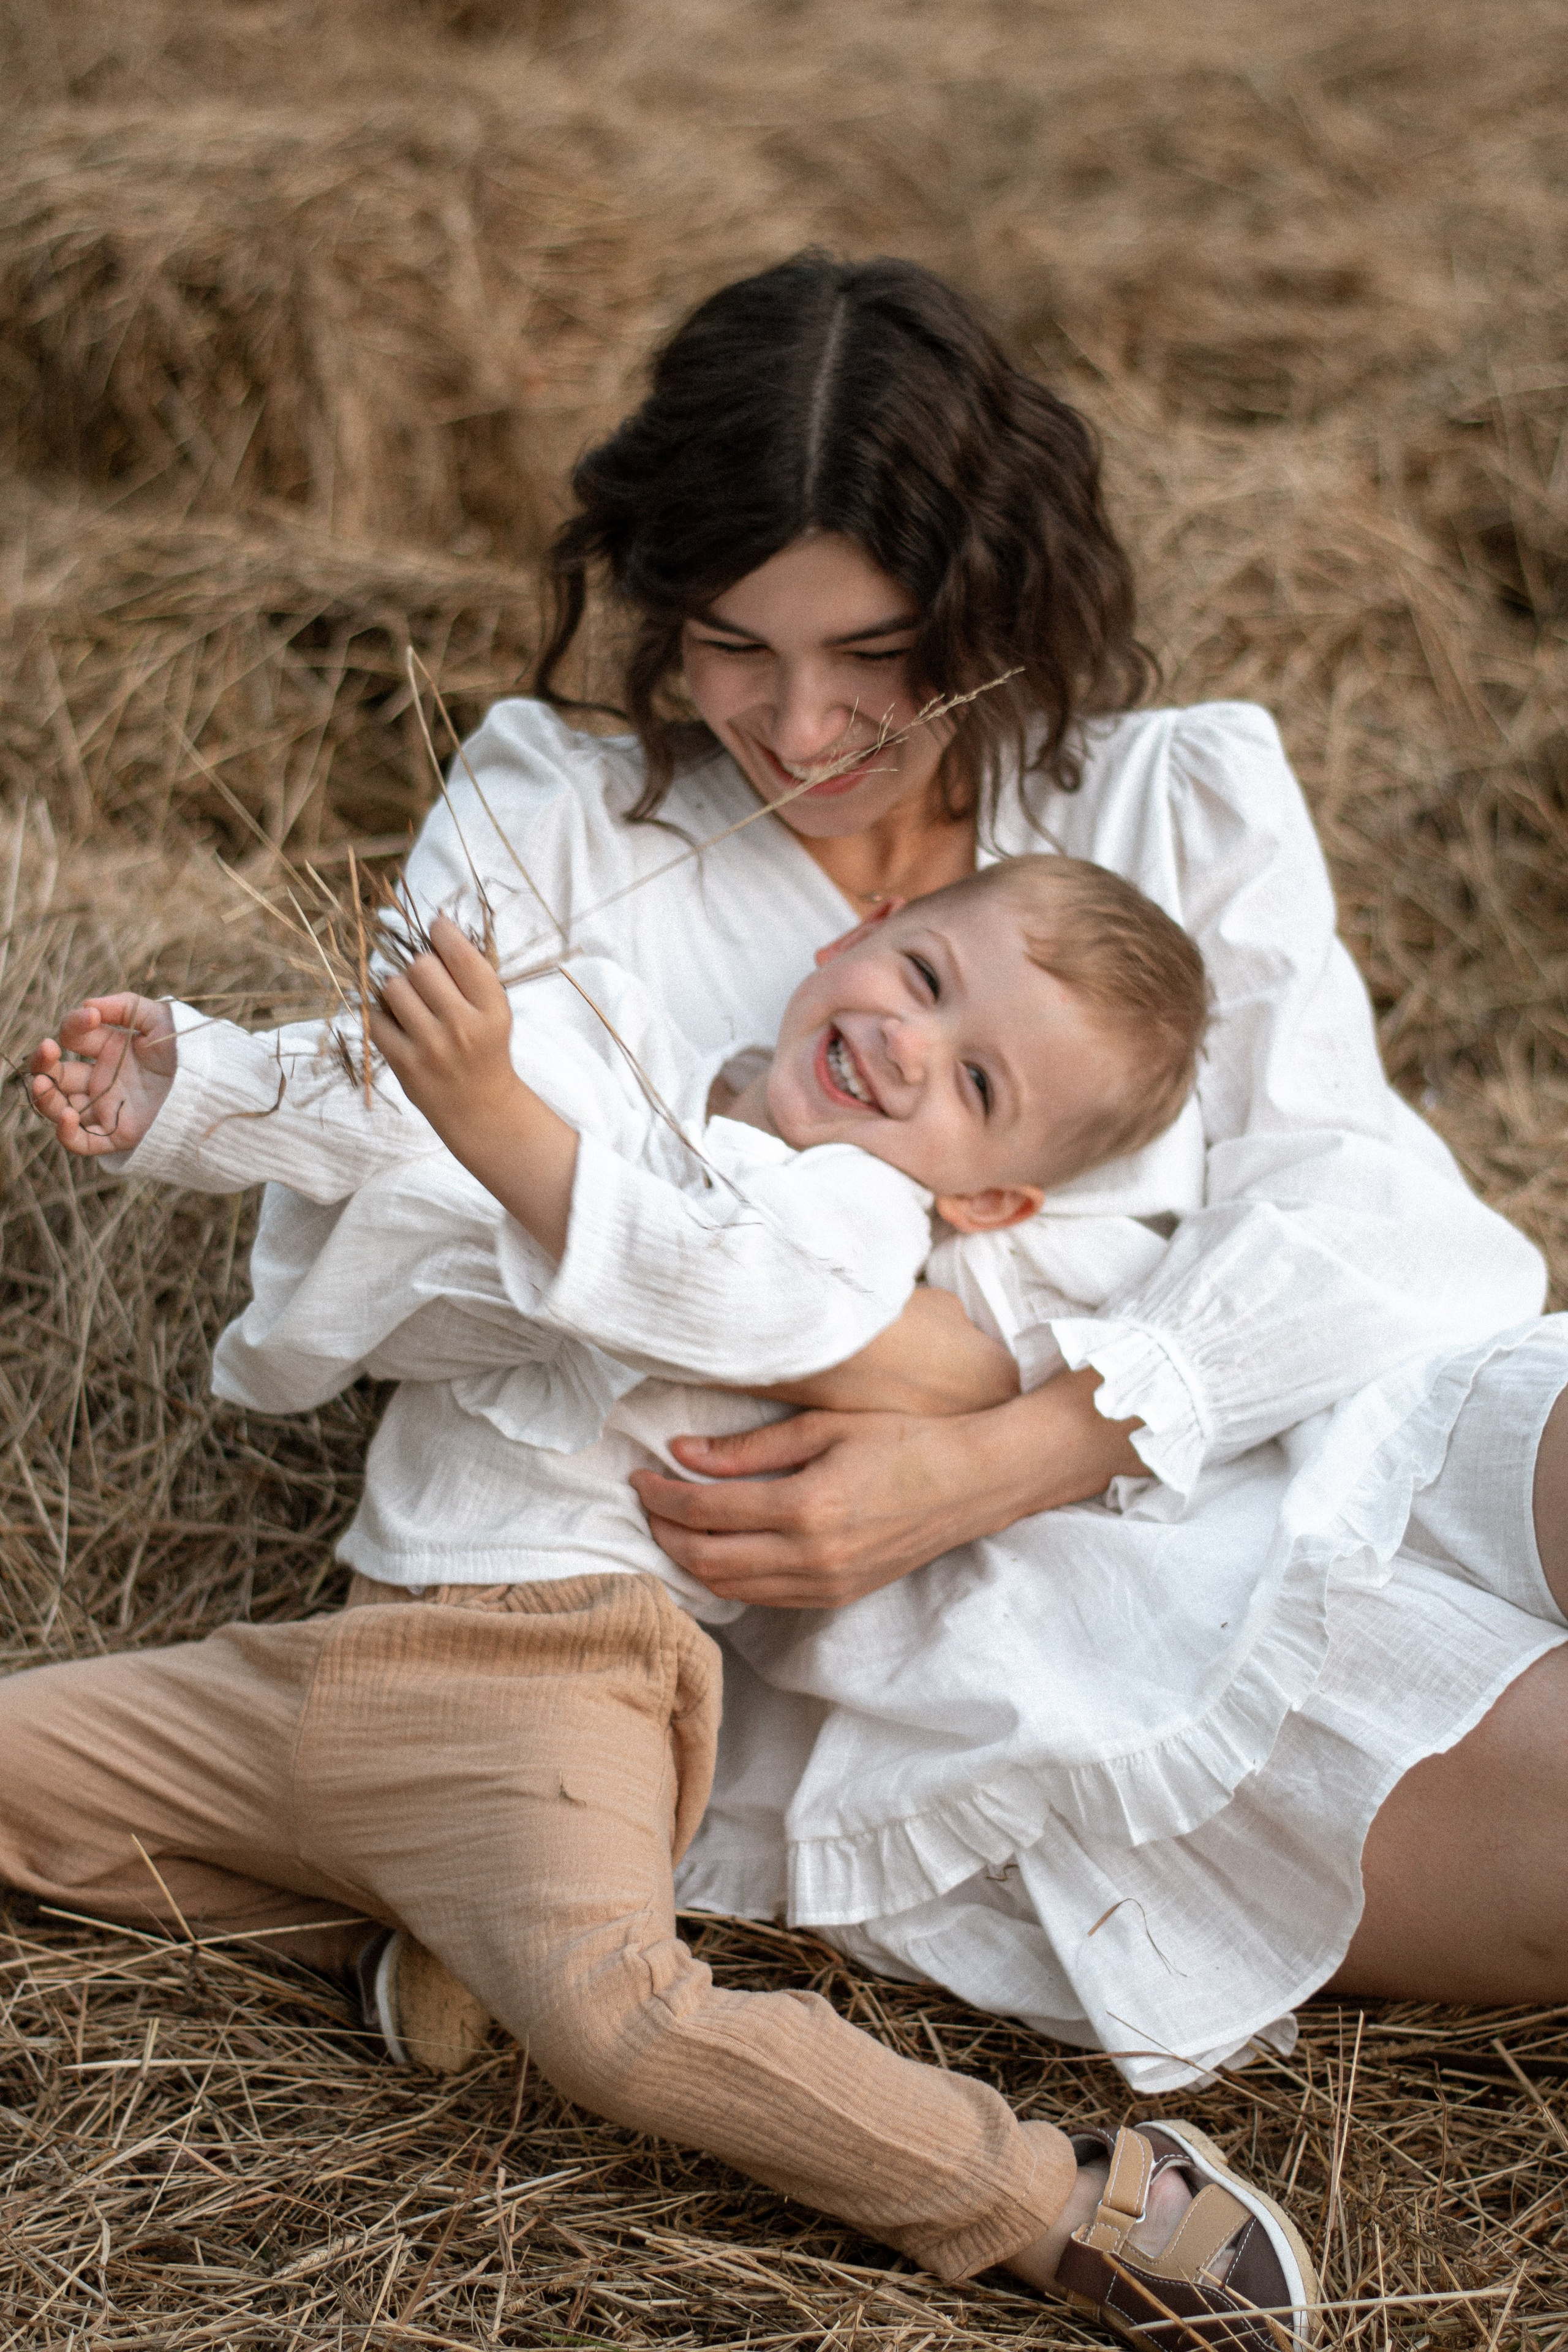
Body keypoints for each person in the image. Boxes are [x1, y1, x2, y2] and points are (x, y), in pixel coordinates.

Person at [15, 872, 1325, 2348]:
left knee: (621, 2023)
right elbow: (386, 1117)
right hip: (344, 1665)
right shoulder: (606, 1033)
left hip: (560, 1673)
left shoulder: (847, 1225)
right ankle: (402, 1938)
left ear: (984, 1202)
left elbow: (720, 1291)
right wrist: (192, 1091)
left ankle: (1062, 2202)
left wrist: (495, 1114)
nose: (907, 1045)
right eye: (922, 976)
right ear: (852, 934)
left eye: (974, 1083)